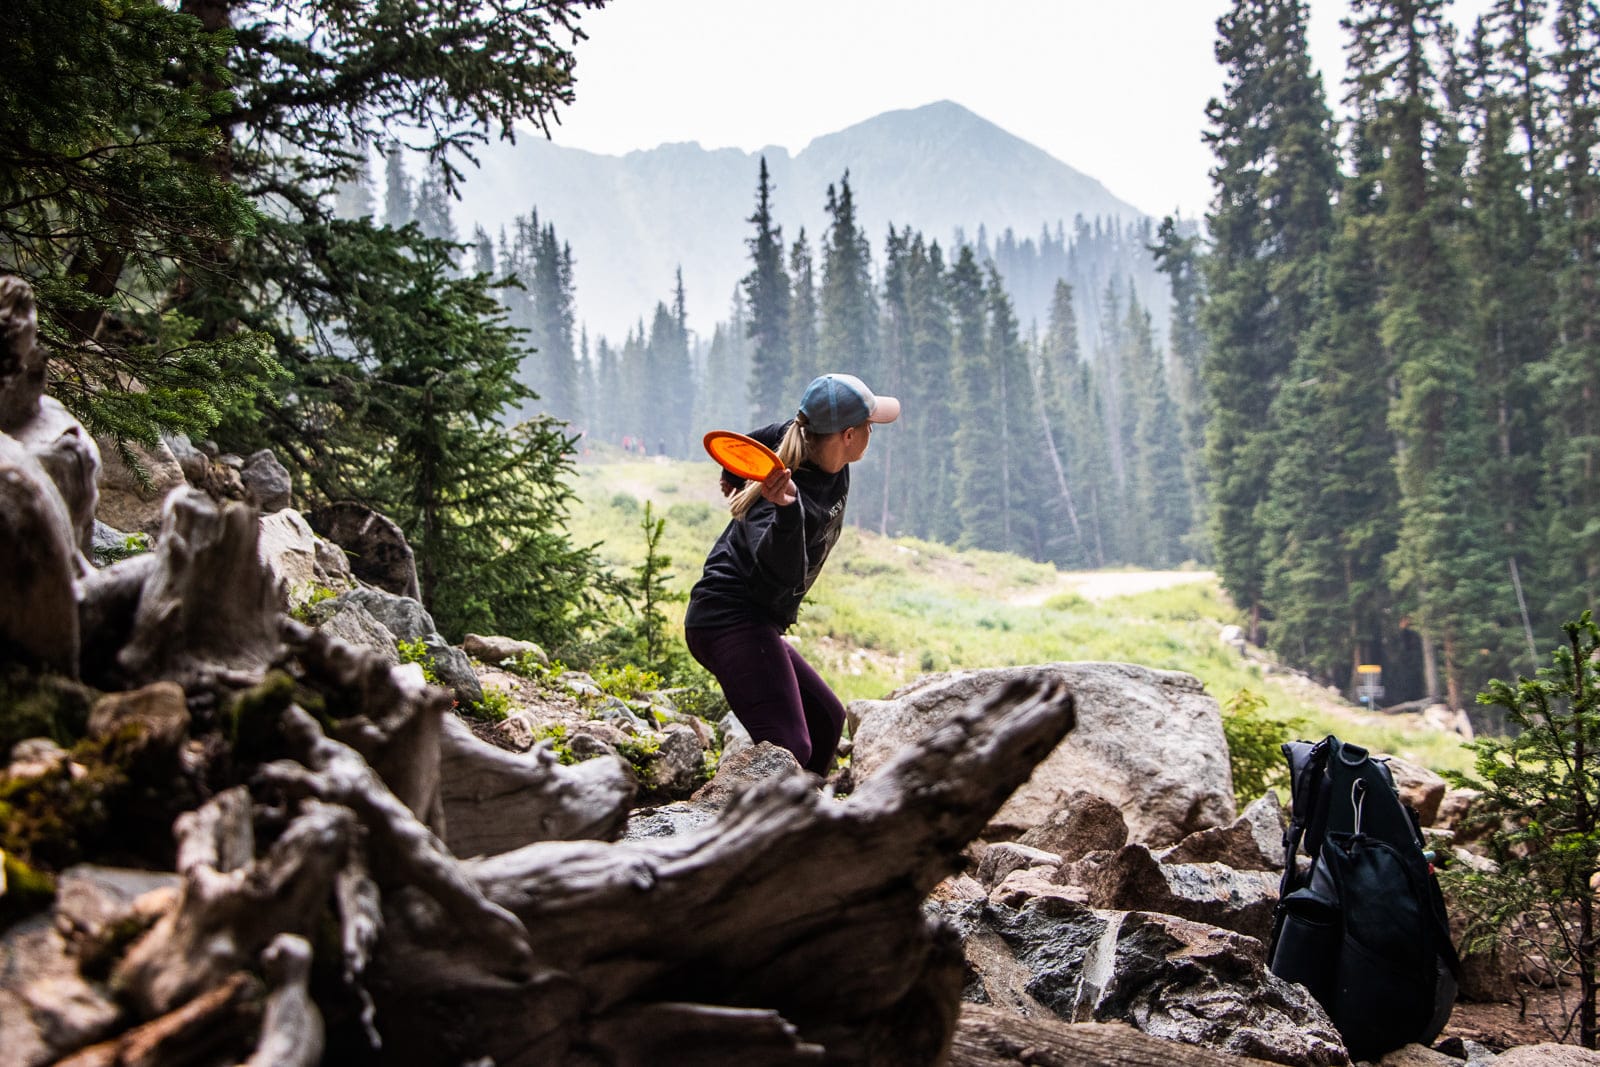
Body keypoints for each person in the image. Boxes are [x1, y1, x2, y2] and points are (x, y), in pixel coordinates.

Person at [684, 373, 901, 776]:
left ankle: (807, 818)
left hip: (755, 620)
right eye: (870, 426)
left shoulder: (810, 440)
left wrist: (735, 469)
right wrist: (786, 510)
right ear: (849, 435)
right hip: (726, 620)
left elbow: (779, 429)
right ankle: (750, 829)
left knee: (826, 720)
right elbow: (778, 578)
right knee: (790, 747)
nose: (874, 431)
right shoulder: (778, 499)